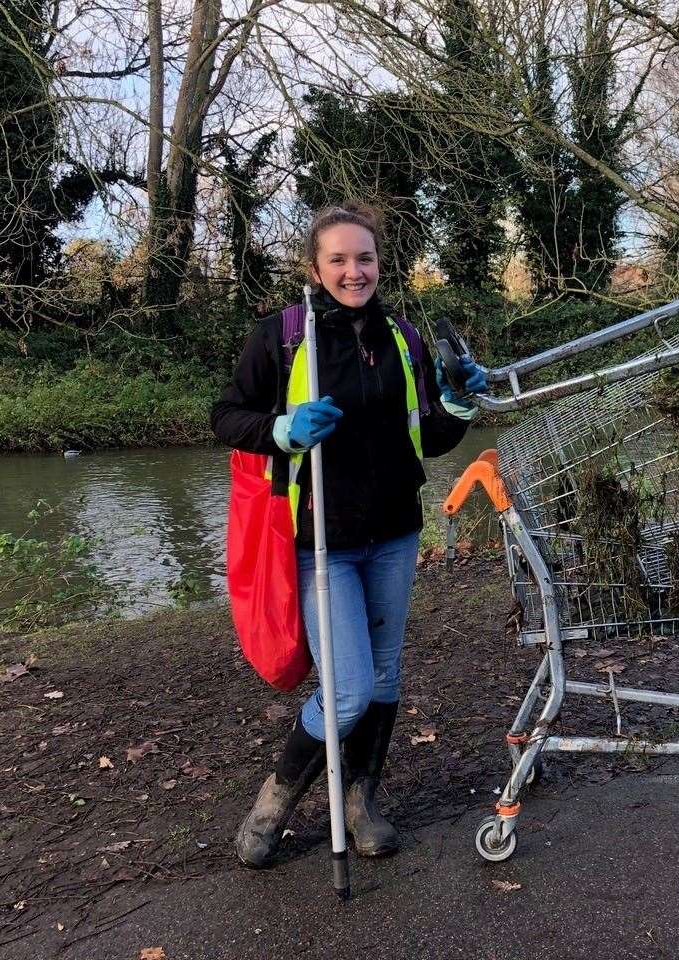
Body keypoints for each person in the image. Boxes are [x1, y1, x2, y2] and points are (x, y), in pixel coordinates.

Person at [210, 203, 487, 868]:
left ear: (380, 263)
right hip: (319, 543)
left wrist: (459, 401)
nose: (353, 271)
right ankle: (274, 801)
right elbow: (225, 415)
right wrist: (281, 431)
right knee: (348, 691)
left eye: (364, 258)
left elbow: (433, 434)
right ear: (315, 268)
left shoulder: (404, 338)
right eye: (338, 259)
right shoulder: (280, 336)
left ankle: (361, 803)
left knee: (384, 678)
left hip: (393, 533)